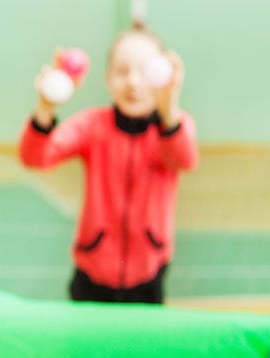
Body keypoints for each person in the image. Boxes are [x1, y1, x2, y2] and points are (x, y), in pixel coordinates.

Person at [19, 23, 199, 304]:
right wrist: (46, 107)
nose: (133, 82)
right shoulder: (92, 126)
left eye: (144, 71)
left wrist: (169, 107)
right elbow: (36, 157)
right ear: (107, 78)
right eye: (123, 71)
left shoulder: (172, 128)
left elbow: (184, 159)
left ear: (163, 77)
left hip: (148, 276)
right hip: (92, 273)